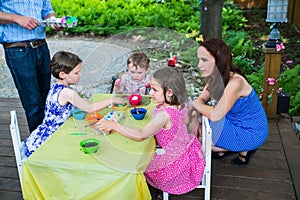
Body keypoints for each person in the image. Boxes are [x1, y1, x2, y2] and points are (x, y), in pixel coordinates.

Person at [98, 67, 205, 197]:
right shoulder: (181, 103)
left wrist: (114, 125)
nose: (151, 93)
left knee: (136, 163)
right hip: (187, 152)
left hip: (175, 164)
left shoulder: (164, 115)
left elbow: (141, 135)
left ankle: (147, 193)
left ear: (169, 92)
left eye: (155, 90)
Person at [22, 51, 124, 158]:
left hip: (42, 133)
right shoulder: (67, 93)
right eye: (76, 73)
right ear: (62, 75)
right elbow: (89, 108)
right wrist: (112, 99)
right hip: (50, 139)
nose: (80, 75)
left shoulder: (56, 86)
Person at [187, 38, 268, 166]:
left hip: (251, 132)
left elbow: (215, 115)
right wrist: (196, 107)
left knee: (201, 139)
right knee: (196, 123)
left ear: (218, 61)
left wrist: (195, 106)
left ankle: (233, 148)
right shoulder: (215, 77)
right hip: (232, 121)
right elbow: (202, 99)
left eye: (204, 60)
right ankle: (227, 147)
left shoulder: (236, 82)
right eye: (199, 59)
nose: (199, 65)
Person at [0, 1, 62, 133]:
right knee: (33, 103)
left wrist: (54, 21)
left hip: (42, 47)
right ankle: (39, 146)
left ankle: (51, 138)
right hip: (18, 50)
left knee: (47, 98)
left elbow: (47, 12)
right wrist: (16, 18)